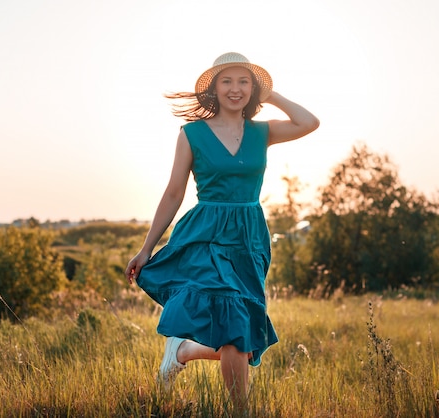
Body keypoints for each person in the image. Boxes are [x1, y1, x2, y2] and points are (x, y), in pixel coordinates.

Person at [125, 52, 319, 409]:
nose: (236, 89)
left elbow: (309, 122)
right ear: (214, 88)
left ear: (252, 88)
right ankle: (238, 412)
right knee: (235, 327)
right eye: (227, 81)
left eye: (244, 81)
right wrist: (145, 248)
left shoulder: (263, 132)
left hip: (249, 238)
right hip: (207, 236)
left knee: (240, 337)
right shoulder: (192, 134)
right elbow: (173, 193)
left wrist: (270, 94)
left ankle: (183, 351)